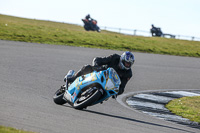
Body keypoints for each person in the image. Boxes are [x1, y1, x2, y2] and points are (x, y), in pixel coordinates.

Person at [65, 51, 135, 96]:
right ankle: (73, 77)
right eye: (126, 63)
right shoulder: (114, 57)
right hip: (100, 73)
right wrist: (96, 66)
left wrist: (116, 92)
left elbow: (122, 87)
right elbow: (98, 59)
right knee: (87, 67)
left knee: (108, 95)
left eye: (129, 64)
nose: (127, 65)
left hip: (109, 85)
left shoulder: (128, 73)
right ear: (122, 60)